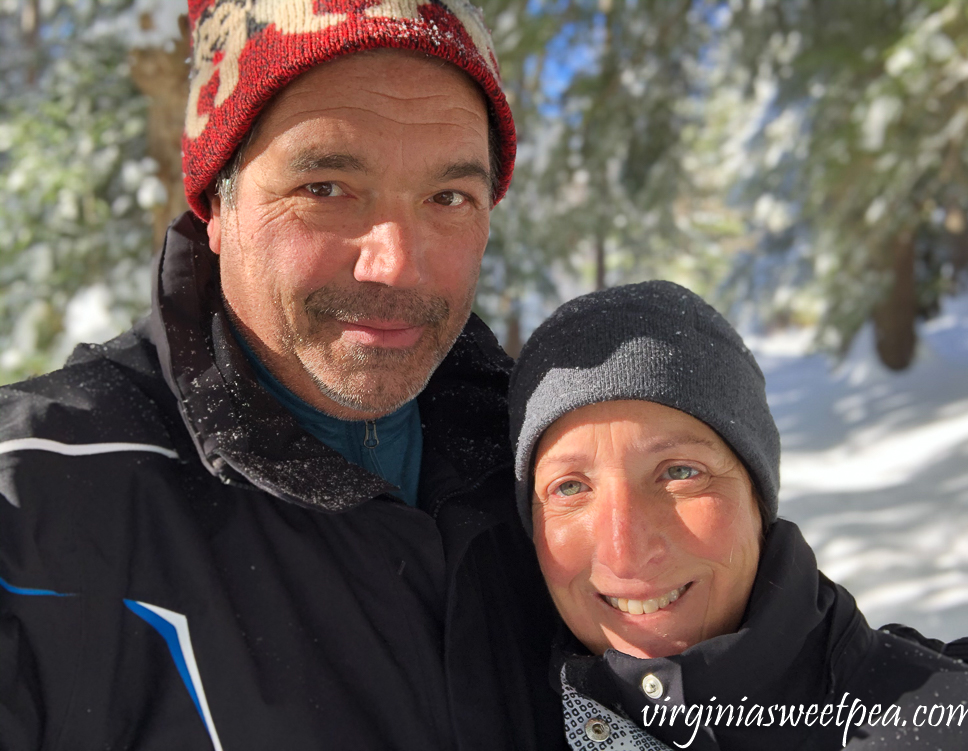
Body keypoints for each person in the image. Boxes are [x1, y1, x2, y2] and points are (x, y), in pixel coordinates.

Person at [0, 2, 563, 749]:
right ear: (217, 204)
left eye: (448, 197)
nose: (396, 261)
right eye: (325, 186)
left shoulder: (554, 469)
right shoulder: (37, 501)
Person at [508, 280, 968, 750]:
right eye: (569, 486)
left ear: (757, 495)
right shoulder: (495, 722)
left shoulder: (958, 729)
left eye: (680, 471)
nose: (624, 552)